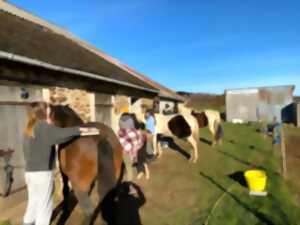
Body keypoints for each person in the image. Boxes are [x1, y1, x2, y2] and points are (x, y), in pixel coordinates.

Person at [22, 102, 99, 225]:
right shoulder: (44, 128)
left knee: (33, 204)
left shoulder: (29, 129)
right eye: (48, 110)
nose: (50, 112)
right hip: (42, 175)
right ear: (44, 112)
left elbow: (26, 152)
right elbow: (64, 134)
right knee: (44, 209)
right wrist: (84, 129)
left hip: (29, 173)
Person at [118, 113, 149, 180]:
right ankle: (129, 182)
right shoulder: (131, 131)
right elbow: (137, 143)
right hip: (130, 151)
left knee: (129, 167)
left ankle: (130, 181)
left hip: (126, 151)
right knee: (129, 168)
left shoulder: (121, 131)